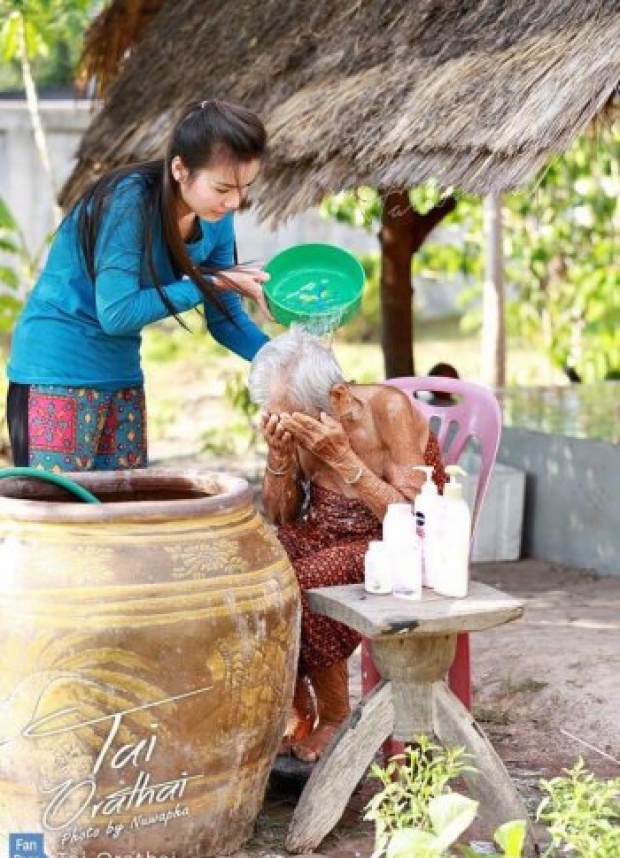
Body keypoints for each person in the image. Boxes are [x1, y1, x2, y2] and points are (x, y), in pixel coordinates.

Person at [7, 99, 271, 472]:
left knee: (123, 519)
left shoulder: (216, 217)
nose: (235, 201)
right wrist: (214, 281)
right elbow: (117, 313)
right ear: (180, 169)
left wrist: (287, 362)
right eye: (223, 187)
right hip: (55, 373)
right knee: (56, 520)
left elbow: (225, 317)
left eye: (244, 188)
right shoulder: (128, 201)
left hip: (121, 374)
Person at [249, 329, 446, 762]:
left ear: (337, 398)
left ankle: (336, 715)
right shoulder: (298, 422)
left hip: (391, 541)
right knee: (256, 571)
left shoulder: (388, 408)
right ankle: (297, 709)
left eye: (297, 417)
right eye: (280, 418)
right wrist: (279, 457)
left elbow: (411, 518)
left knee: (303, 580)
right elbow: (283, 516)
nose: (291, 426)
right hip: (324, 528)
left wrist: (344, 459)